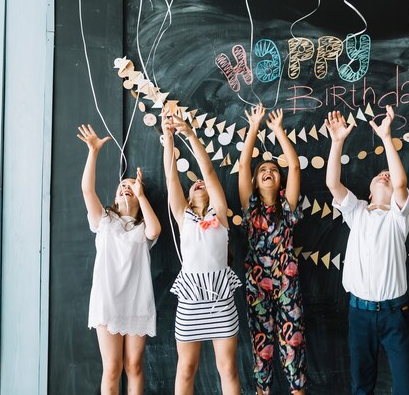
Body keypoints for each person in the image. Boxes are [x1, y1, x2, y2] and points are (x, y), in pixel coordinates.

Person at [324, 105, 409, 395]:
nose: (385, 176)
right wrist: (337, 142)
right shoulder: (357, 212)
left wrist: (386, 137)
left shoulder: (398, 217)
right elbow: (332, 182)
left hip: (395, 313)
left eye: (388, 176)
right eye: (379, 175)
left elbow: (401, 181)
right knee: (361, 386)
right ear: (367, 192)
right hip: (359, 313)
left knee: (407, 387)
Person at [77, 124, 161, 395]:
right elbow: (87, 191)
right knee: (112, 368)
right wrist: (93, 152)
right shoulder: (104, 221)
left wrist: (140, 195)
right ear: (114, 197)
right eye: (121, 187)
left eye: (130, 187)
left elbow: (155, 230)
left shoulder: (143, 227)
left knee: (134, 366)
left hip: (137, 301)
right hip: (108, 301)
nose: (125, 188)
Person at [161, 111, 242, 395]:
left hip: (221, 300)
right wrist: (168, 138)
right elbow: (171, 178)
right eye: (193, 184)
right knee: (185, 370)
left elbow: (208, 171)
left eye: (203, 185)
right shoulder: (183, 216)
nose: (199, 183)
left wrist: (190, 134)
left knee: (229, 368)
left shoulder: (219, 214)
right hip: (191, 300)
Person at [238, 105, 307, 395]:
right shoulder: (250, 205)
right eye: (263, 170)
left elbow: (293, 165)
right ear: (256, 181)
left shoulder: (287, 207)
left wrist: (278, 130)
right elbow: (243, 166)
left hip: (287, 284)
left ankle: (297, 390)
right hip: (257, 285)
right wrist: (254, 126)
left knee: (293, 349)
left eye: (273, 171)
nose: (268, 171)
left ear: (279, 182)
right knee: (261, 348)